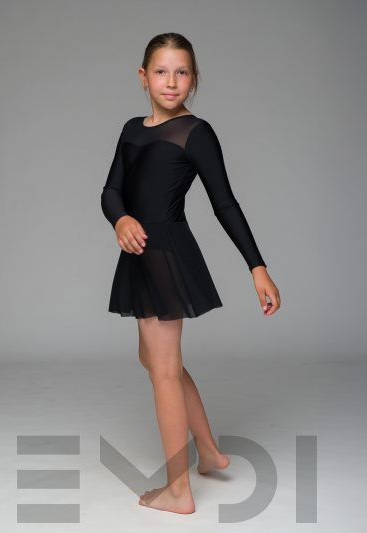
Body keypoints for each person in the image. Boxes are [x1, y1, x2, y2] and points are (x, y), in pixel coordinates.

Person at [101, 32, 280, 515]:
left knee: (163, 369)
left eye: (182, 72)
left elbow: (225, 203)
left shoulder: (195, 132)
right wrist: (120, 219)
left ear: (194, 79)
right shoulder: (131, 129)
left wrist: (257, 267)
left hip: (165, 254)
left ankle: (179, 491)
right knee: (156, 361)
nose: (171, 81)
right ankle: (209, 451)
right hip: (138, 252)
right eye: (161, 71)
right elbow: (111, 190)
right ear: (143, 77)